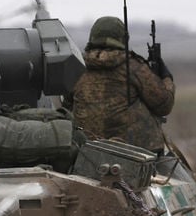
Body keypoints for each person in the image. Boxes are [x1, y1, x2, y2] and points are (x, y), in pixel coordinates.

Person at [68, 15, 174, 154]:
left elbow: (68, 106)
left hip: (87, 151)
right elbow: (163, 105)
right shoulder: (133, 67)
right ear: (123, 39)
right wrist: (166, 78)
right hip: (135, 154)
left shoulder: (77, 67)